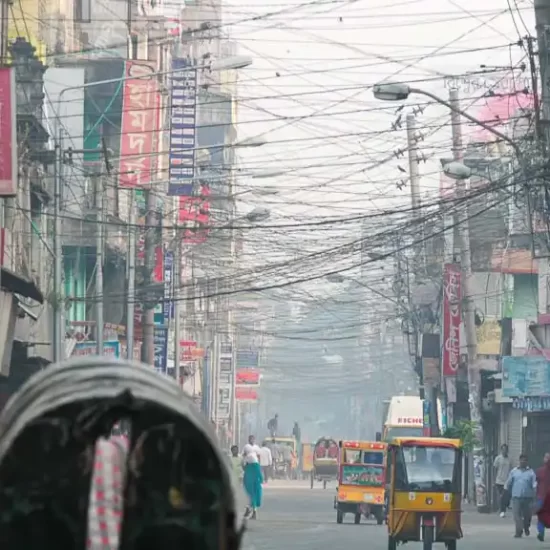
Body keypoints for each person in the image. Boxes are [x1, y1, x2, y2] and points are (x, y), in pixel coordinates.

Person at [506, 453, 537, 538]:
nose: (523, 461)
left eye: (525, 460)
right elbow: (508, 483)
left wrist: (535, 494)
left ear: (527, 462)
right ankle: (518, 532)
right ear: (519, 461)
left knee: (527, 516)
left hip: (527, 498)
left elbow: (534, 484)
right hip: (516, 497)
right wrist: (506, 492)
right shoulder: (514, 471)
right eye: (522, 460)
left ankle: (526, 527)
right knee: (517, 515)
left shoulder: (531, 472)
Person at [243, 450, 263, 519]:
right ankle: (252, 511)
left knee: (251, 498)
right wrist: (261, 481)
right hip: (256, 484)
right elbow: (260, 476)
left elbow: (245, 476)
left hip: (249, 484)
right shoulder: (257, 466)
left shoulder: (247, 467)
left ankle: (249, 510)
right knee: (254, 498)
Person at [494, 444, 512, 517]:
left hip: (507, 480)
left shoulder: (510, 459)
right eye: (503, 449)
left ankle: (503, 508)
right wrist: (494, 479)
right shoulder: (498, 458)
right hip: (499, 480)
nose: (505, 451)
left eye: (506, 449)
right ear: (501, 450)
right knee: (501, 496)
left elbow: (511, 469)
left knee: (506, 496)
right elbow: (495, 469)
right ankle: (502, 510)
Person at [536, 452, 550, 541]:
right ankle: (541, 532)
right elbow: (535, 484)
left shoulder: (539, 471)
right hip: (541, 497)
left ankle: (541, 531)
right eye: (546, 458)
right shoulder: (539, 471)